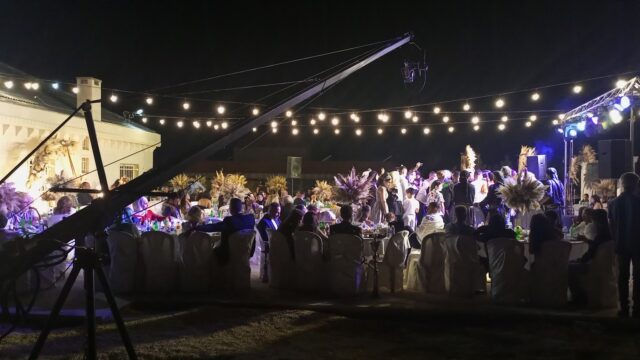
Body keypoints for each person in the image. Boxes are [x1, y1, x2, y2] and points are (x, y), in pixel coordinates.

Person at [607, 172, 640, 317]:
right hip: (637, 244)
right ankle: (637, 308)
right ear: (635, 185)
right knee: (637, 277)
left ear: (622, 184)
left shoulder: (612, 203)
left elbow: (611, 226)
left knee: (622, 277)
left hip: (620, 244)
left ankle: (624, 308)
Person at [568, 209, 612, 305]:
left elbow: (590, 253)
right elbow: (597, 246)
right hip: (607, 265)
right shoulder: (610, 233)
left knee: (569, 267)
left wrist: (580, 260)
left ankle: (579, 297)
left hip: (595, 265)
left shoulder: (600, 235)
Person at [195, 198, 255, 264]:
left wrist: (197, 227)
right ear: (241, 208)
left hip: (228, 255)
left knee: (208, 252)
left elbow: (214, 227)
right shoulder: (251, 218)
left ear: (230, 208)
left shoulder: (229, 220)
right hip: (245, 253)